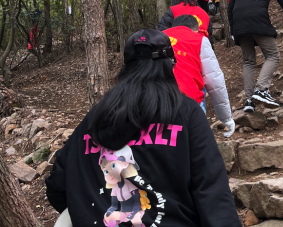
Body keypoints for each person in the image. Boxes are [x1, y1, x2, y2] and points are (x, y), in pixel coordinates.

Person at [45, 28, 240, 227]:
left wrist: (88, 210)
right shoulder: (186, 113)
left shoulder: (94, 119)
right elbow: (213, 193)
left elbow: (57, 185)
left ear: (125, 69)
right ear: (170, 66)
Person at [163, 15, 235, 134]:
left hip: (155, 102)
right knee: (195, 146)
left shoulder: (157, 38)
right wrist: (226, 118)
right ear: (196, 30)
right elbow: (214, 81)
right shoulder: (198, 39)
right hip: (189, 101)